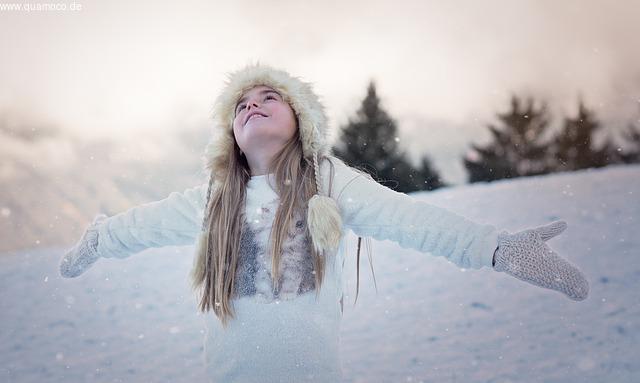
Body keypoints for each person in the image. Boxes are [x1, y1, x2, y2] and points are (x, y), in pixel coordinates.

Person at [59, 63, 590, 382]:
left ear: (301, 122)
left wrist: (496, 248)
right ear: (230, 134)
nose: (253, 105)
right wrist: (101, 237)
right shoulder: (214, 201)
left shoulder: (329, 183)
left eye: (270, 98)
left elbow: (408, 219)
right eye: (241, 104)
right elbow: (143, 225)